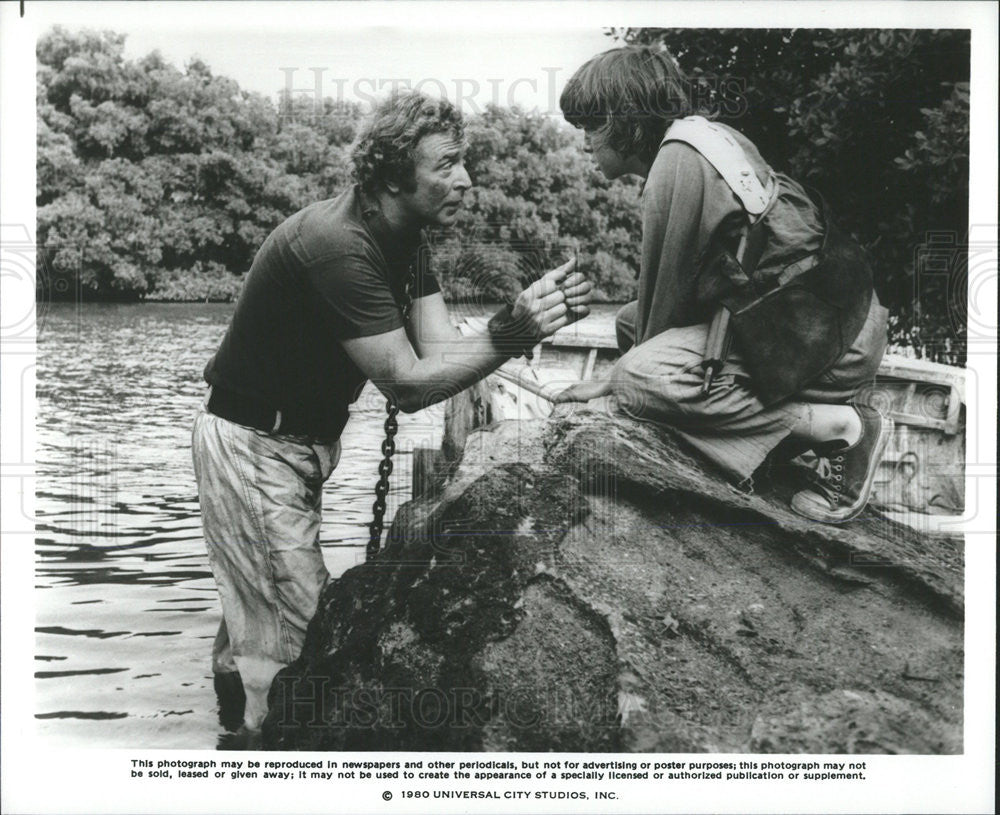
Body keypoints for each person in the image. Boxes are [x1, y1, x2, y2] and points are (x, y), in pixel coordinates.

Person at [191, 90, 592, 744]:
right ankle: (270, 758)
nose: (466, 179)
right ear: (391, 178)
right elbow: (407, 385)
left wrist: (516, 323)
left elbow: (439, 355)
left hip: (290, 447)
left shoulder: (406, 238)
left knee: (256, 617)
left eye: (465, 163)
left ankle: (233, 726)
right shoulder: (337, 246)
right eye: (447, 166)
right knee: (301, 651)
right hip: (254, 448)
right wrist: (513, 333)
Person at [554, 45, 892, 522]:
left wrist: (611, 386)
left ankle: (843, 428)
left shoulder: (676, 164)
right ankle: (773, 448)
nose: (584, 143)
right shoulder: (704, 138)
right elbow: (657, 314)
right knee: (628, 324)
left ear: (624, 120)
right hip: (837, 325)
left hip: (823, 343)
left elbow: (664, 313)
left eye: (590, 126)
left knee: (639, 376)